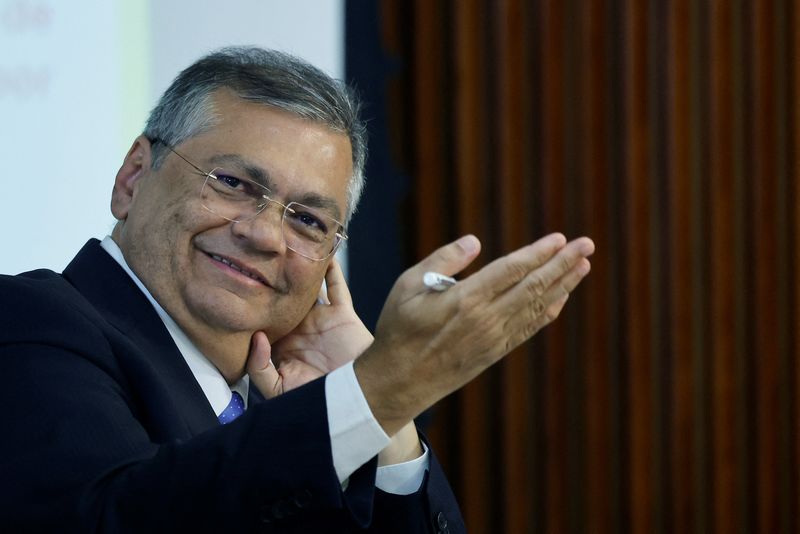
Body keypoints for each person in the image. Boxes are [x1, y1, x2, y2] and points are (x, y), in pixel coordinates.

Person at [0, 47, 594, 533]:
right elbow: (115, 516)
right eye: (231, 183)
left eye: (307, 220)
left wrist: (391, 431)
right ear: (132, 178)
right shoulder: (29, 321)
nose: (262, 235)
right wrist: (378, 389)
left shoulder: (292, 409)